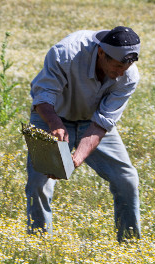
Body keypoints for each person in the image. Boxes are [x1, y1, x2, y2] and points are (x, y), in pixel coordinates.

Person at [26, 26, 141, 242]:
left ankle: (129, 246)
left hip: (92, 121)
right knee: (38, 182)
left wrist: (77, 157)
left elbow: (103, 122)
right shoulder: (65, 53)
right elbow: (42, 95)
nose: (121, 73)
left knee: (127, 178)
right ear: (101, 53)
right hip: (50, 114)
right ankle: (38, 245)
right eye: (116, 66)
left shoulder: (128, 76)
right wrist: (54, 123)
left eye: (126, 66)